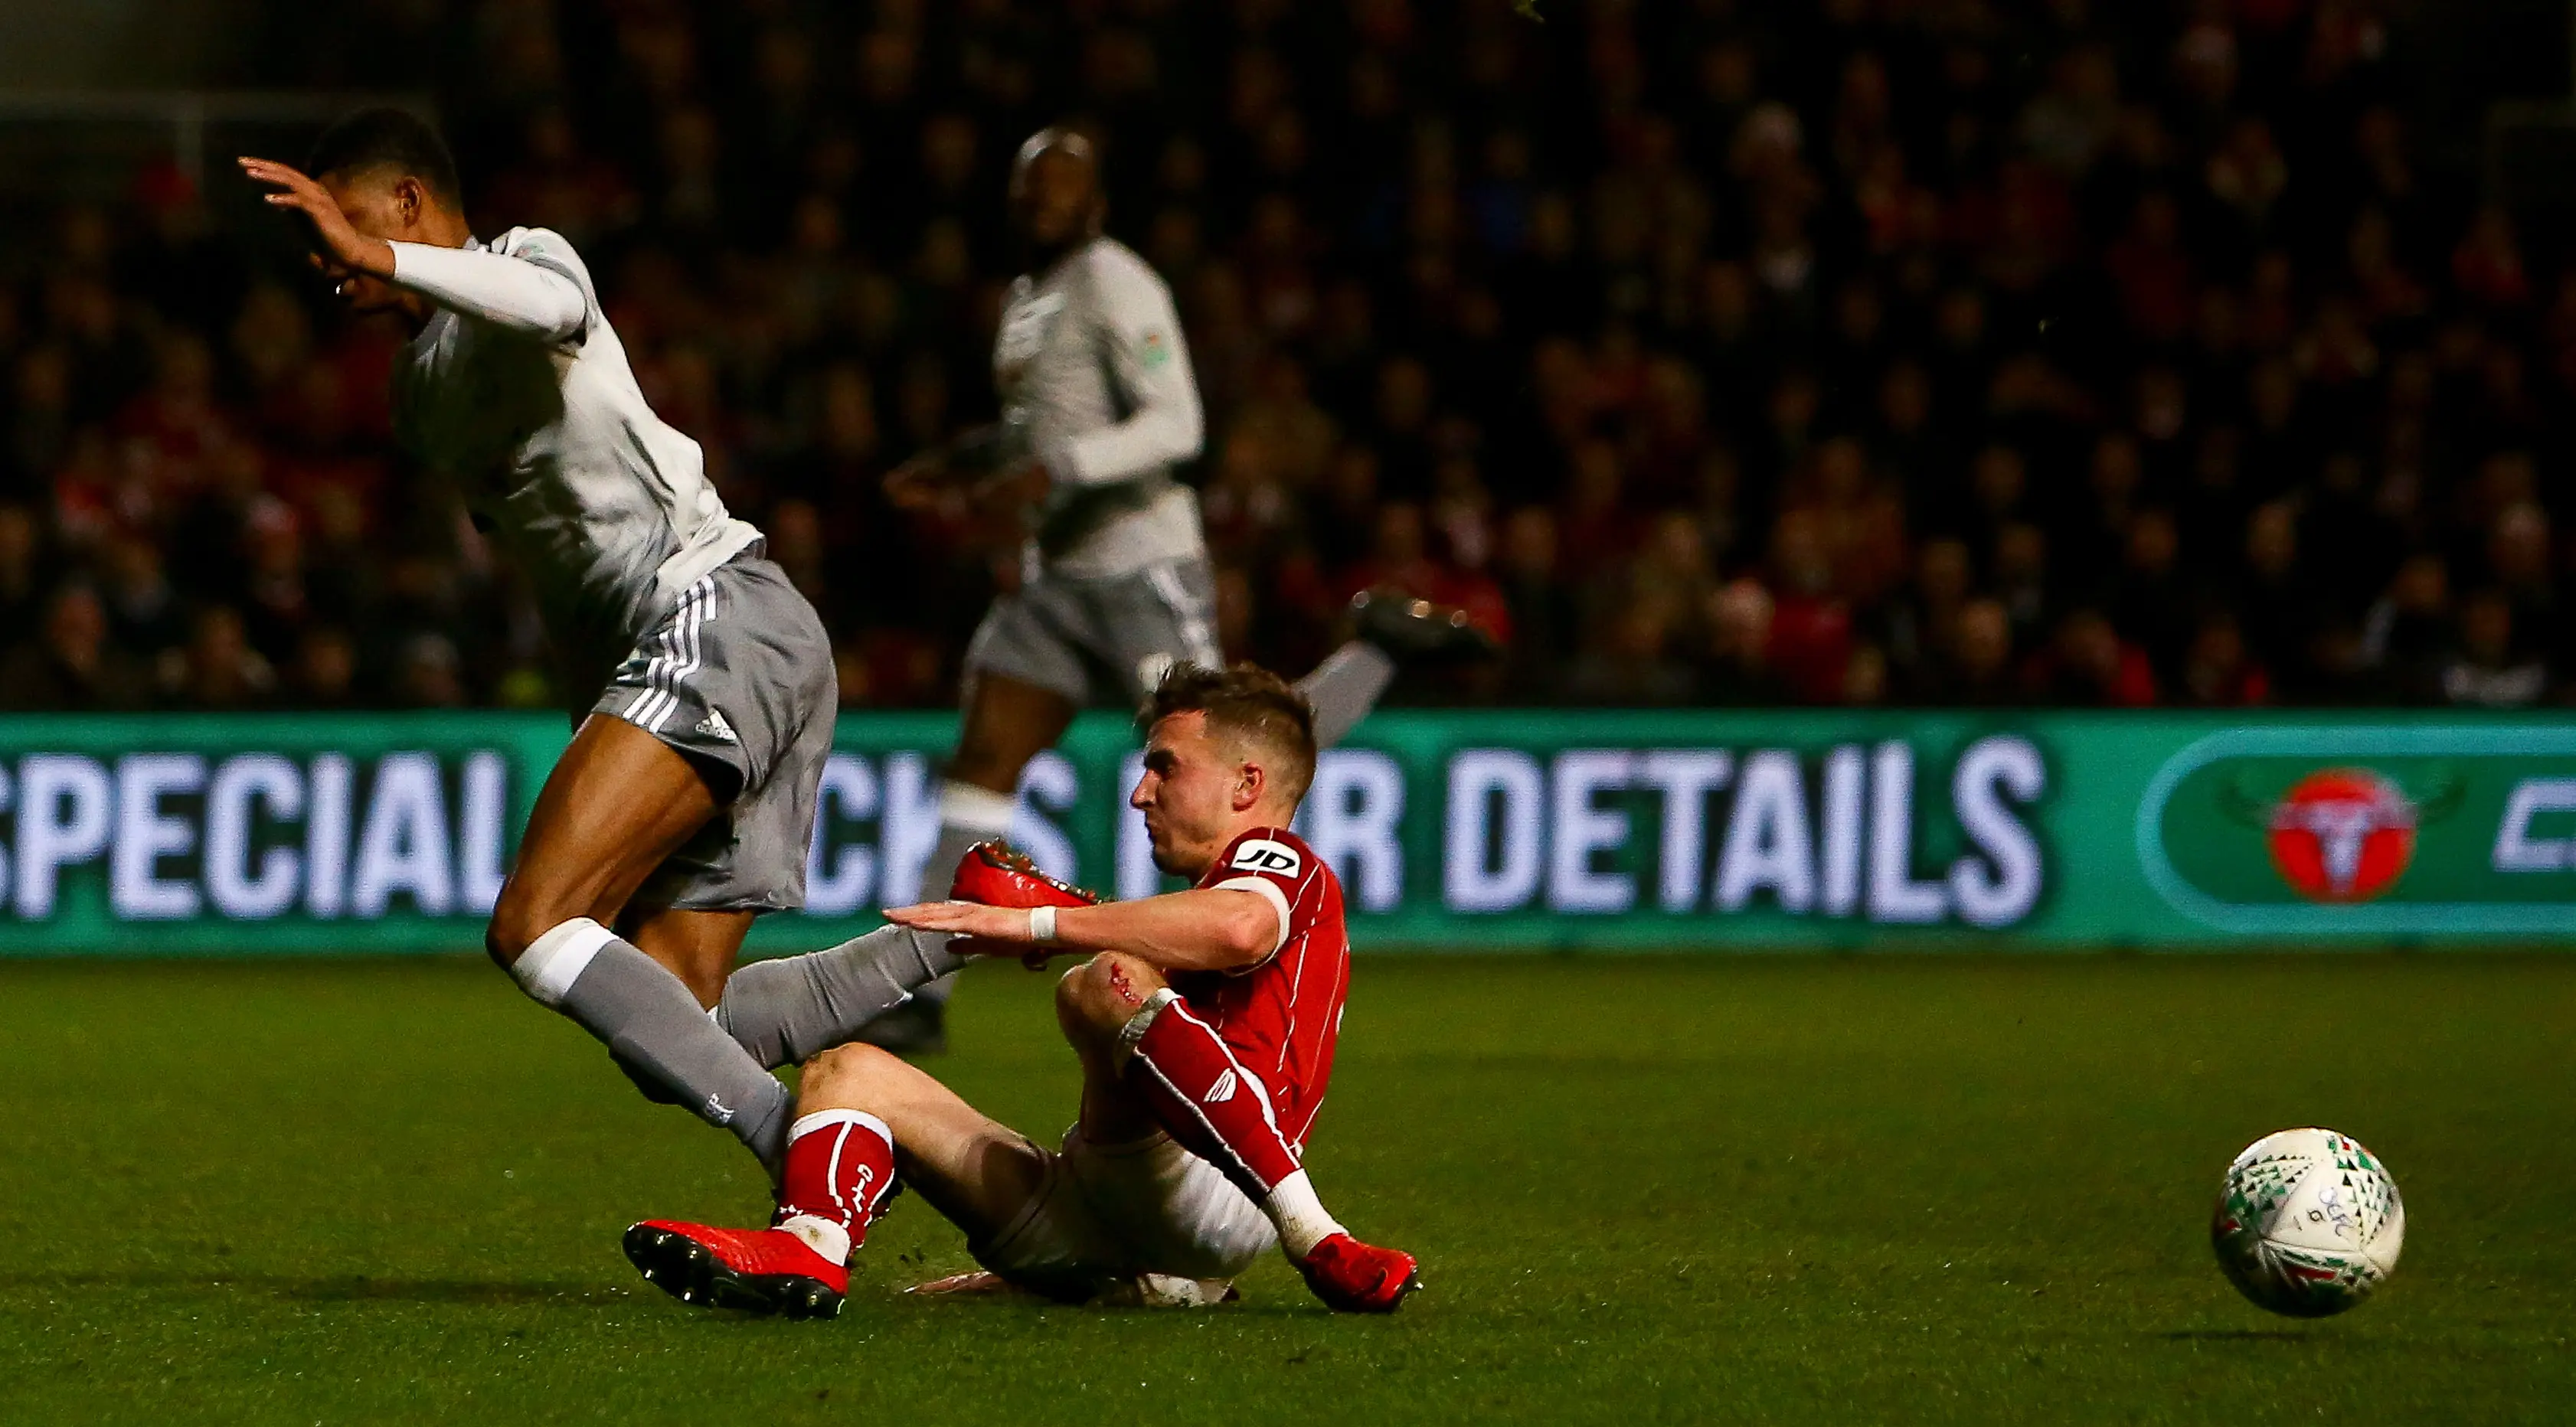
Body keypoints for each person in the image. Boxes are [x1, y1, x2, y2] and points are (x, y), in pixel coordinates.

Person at [239, 111, 999, 1183]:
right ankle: (969, 938)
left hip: (717, 616)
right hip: (696, 657)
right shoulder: (418, 399)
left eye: (345, 223)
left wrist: (382, 256)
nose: (327, 255)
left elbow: (551, 309)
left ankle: (801, 1152)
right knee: (678, 1020)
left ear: (407, 204)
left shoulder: (527, 261)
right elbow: (558, 559)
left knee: (535, 923)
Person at [876, 126, 1489, 1051]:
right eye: (1033, 187)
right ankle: (916, 989)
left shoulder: (1118, 281)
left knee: (1238, 739)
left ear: (1096, 203)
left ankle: (1378, 648)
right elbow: (1034, 428)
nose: (1046, 203)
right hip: (1055, 577)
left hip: (1137, 565)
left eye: (1064, 187)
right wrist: (963, 465)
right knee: (983, 756)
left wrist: (1060, 470)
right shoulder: (1027, 300)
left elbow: (1177, 422)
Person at [623, 662, 1420, 1316]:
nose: (1141, 792)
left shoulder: (1286, 863)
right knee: (848, 1069)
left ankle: (1314, 1233)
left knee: (1099, 984)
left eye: (1164, 766)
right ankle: (811, 1251)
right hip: (1104, 1207)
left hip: (1223, 1193)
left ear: (1248, 783)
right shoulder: (1178, 910)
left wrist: (1042, 923)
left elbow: (1241, 928)